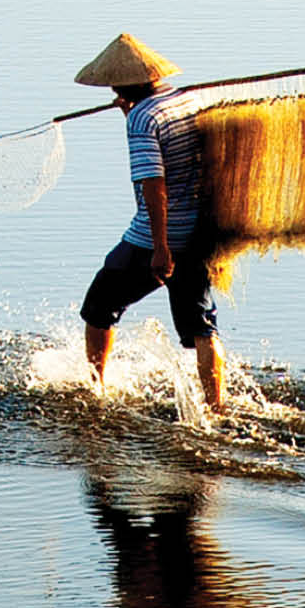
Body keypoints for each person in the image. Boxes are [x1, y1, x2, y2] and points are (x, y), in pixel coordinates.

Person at [74, 33, 230, 415]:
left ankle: (96, 390)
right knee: (202, 327)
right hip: (197, 233)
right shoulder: (186, 100)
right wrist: (131, 113)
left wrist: (160, 249)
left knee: (99, 306)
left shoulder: (143, 120)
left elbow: (154, 185)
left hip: (155, 237)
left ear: (121, 84)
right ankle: (217, 408)